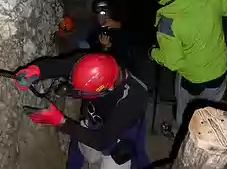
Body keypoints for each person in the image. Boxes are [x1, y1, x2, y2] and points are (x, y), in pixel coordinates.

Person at [140, 0, 227, 134]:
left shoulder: (168, 22)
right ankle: (210, 136)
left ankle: (182, 132)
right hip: (220, 70)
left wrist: (153, 53)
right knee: (211, 111)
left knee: (186, 112)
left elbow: (174, 62)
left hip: (192, 80)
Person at [14, 53, 150, 169]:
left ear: (107, 89)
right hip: (96, 117)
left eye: (82, 92)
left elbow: (103, 140)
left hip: (123, 131)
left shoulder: (132, 99)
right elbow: (60, 65)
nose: (76, 93)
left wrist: (62, 123)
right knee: (79, 144)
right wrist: (36, 70)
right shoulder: (93, 65)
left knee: (119, 158)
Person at [87, 0, 135, 71]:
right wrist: (105, 48)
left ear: (110, 13)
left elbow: (136, 34)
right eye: (100, 14)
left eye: (106, 12)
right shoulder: (93, 35)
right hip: (111, 68)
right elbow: (97, 61)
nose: (103, 16)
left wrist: (120, 25)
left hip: (127, 67)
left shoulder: (119, 26)